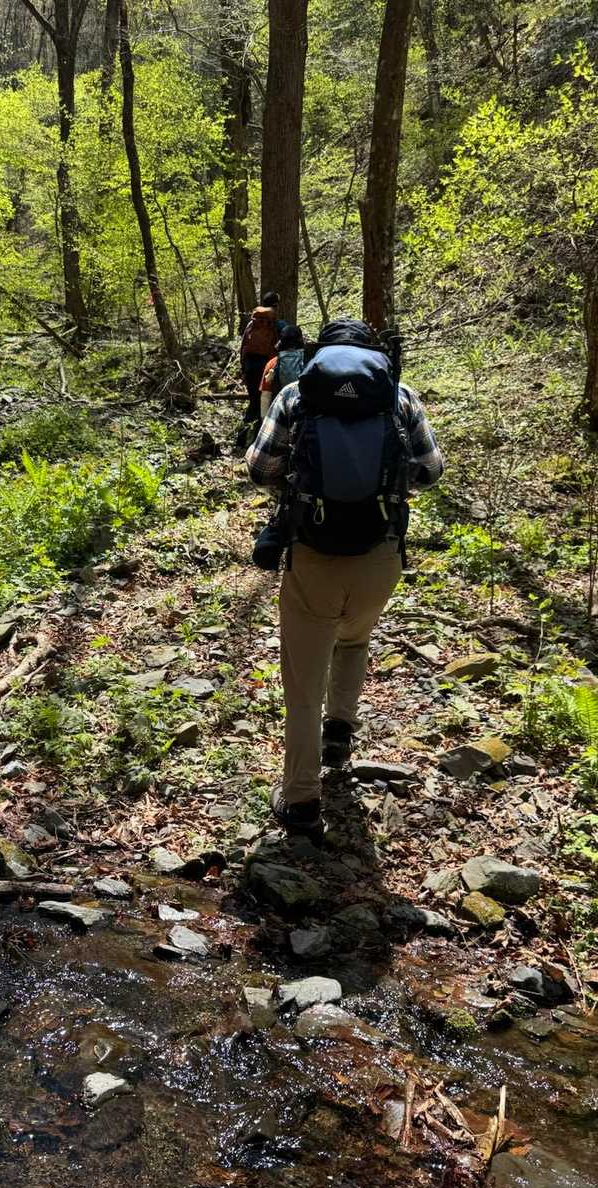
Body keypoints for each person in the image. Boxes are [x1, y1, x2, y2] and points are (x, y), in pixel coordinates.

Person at [245, 317, 443, 842]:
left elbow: (260, 470)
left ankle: (301, 799)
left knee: (302, 683)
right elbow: (430, 470)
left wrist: (302, 485)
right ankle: (339, 734)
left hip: (313, 553)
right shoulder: (399, 396)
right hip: (381, 552)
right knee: (354, 639)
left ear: (320, 355)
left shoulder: (295, 394)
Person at [238, 291, 280, 429]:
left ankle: (244, 434)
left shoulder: (252, 323)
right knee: (266, 404)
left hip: (250, 366)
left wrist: (243, 370)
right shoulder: (277, 324)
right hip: (267, 368)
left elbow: (243, 347)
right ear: (276, 305)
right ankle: (263, 433)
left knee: (253, 402)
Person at [259, 323, 305, 418]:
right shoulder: (309, 361)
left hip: (280, 413)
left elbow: (266, 395)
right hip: (303, 412)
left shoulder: (273, 363)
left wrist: (264, 418)